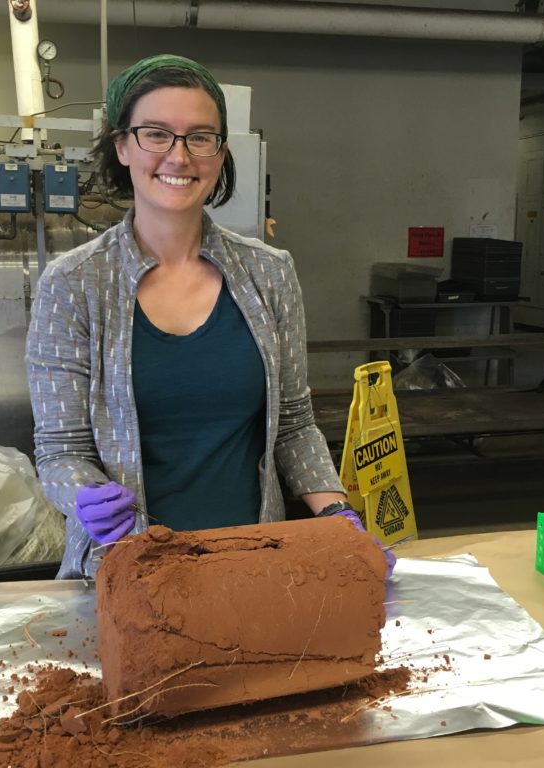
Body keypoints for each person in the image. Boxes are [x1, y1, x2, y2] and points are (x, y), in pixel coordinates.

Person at [27, 53, 389, 580]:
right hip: (128, 568)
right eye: (156, 134)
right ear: (122, 146)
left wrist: (334, 512)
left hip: (253, 561)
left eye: (200, 137)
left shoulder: (269, 273)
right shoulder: (73, 284)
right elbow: (60, 450)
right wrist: (85, 496)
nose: (179, 156)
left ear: (220, 154)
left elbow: (292, 422)